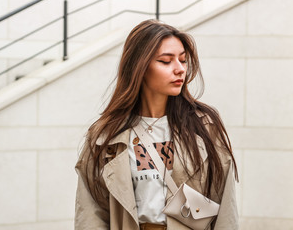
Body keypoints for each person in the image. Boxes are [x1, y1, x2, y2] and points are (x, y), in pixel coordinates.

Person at [75, 19, 238, 230]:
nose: (180, 69)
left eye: (183, 60)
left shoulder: (204, 127)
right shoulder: (106, 136)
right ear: (139, 67)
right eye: (166, 61)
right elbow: (91, 214)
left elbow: (225, 206)